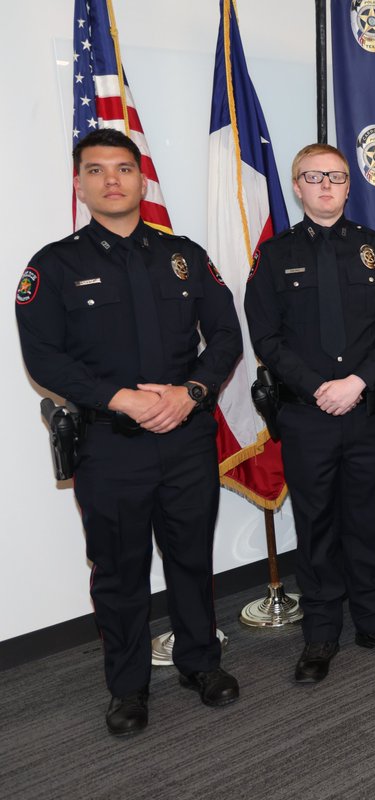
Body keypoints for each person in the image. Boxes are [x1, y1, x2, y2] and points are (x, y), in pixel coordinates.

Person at [15, 129, 242, 736]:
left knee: (191, 558)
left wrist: (189, 393)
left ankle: (202, 663)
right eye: (96, 170)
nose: (111, 180)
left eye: (123, 169)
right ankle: (128, 688)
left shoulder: (185, 255)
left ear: (143, 180)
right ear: (79, 183)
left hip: (185, 436)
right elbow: (45, 359)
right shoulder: (53, 266)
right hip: (109, 445)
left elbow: (225, 337)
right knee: (119, 571)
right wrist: (121, 400)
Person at [245, 143, 375, 683]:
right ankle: (321, 633)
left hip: (366, 413)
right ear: (296, 186)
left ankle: (374, 619)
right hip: (307, 416)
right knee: (316, 523)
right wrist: (319, 386)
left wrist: (356, 382)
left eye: (337, 176)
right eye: (313, 176)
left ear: (350, 186)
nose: (326, 185)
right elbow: (267, 337)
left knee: (366, 519)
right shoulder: (273, 257)